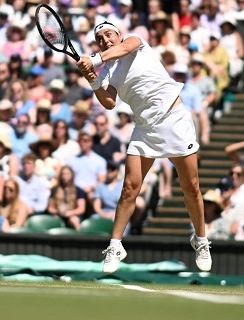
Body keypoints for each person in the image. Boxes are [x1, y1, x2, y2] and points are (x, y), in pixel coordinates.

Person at [77, 20, 210, 273]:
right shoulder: (106, 70)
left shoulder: (135, 41)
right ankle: (115, 245)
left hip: (174, 119)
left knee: (191, 187)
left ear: (118, 34)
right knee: (129, 189)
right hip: (144, 128)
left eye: (108, 34)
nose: (105, 40)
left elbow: (124, 49)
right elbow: (108, 102)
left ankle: (201, 240)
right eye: (100, 38)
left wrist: (93, 60)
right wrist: (92, 78)